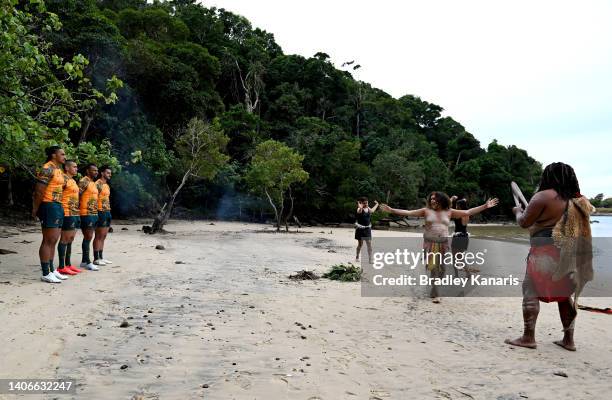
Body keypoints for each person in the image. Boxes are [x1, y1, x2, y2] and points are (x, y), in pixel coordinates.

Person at [505, 162, 593, 351]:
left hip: (546, 252)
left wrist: (518, 211)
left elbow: (524, 222)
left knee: (530, 289)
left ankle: (528, 337)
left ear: (548, 176)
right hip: (572, 255)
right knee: (564, 296)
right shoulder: (580, 201)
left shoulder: (543, 196)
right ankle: (569, 341)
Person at [381, 192, 498, 303]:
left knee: (442, 270)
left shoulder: (449, 211)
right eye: (431, 199)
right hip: (430, 244)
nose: (432, 200)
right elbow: (408, 212)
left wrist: (485, 206)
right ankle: (436, 293)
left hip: (443, 244)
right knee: (434, 268)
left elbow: (467, 212)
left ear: (441, 200)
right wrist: (391, 210)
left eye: (435, 198)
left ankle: (434, 287)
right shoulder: (425, 211)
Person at [32, 146, 68, 283]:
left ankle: (52, 269)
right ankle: (46, 272)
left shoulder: (58, 170)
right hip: (48, 205)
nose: (64, 156)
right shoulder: (47, 168)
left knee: (54, 240)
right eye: (62, 154)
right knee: (48, 240)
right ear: (54, 155)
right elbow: (39, 191)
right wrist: (35, 209)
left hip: (58, 205)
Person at [57, 160, 82, 275]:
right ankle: (61, 266)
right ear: (67, 168)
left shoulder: (72, 180)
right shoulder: (63, 179)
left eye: (77, 167)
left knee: (70, 239)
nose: (76, 169)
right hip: (66, 213)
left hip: (75, 213)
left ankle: (68, 264)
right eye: (74, 167)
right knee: (64, 239)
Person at [79, 164, 99, 271]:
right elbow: (78, 195)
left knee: (89, 237)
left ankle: (83, 261)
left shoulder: (93, 183)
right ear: (87, 171)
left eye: (97, 170)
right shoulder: (84, 181)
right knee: (88, 237)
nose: (96, 172)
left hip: (94, 213)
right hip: (86, 213)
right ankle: (87, 261)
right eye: (93, 170)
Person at [93, 166, 113, 265]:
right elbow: (93, 198)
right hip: (100, 211)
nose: (110, 175)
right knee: (99, 235)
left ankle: (101, 256)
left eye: (110, 173)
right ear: (102, 173)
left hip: (107, 211)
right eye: (108, 173)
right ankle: (96, 258)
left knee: (104, 236)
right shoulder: (97, 184)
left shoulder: (106, 185)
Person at [450, 195, 470, 277]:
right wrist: (463, 200)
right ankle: (467, 273)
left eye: (457, 206)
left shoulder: (458, 214)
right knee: (460, 257)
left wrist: (452, 199)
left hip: (458, 236)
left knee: (455, 257)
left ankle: (456, 275)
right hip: (465, 236)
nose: (456, 207)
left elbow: (448, 208)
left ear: (460, 206)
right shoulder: (467, 213)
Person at [354, 197, 379, 263]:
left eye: (367, 203)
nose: (366, 204)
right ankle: (357, 257)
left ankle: (370, 259)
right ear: (361, 203)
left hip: (367, 229)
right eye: (364, 203)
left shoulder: (368, 208)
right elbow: (359, 212)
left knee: (369, 244)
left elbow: (372, 211)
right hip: (360, 229)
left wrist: (377, 204)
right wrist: (360, 207)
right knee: (360, 244)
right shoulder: (359, 209)